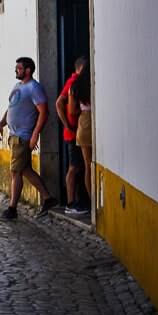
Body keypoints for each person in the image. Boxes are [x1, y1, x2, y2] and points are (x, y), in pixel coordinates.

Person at [0, 57, 58, 220]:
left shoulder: (34, 88)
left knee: (15, 171)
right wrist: (1, 124)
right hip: (14, 136)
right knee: (25, 170)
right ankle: (48, 198)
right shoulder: (17, 86)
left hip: (23, 136)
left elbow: (44, 112)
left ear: (28, 70)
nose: (16, 70)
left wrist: (35, 134)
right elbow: (11, 108)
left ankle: (12, 208)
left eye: (19, 68)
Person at [55, 57, 88, 215]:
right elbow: (59, 103)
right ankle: (70, 203)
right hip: (73, 131)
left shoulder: (74, 81)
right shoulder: (73, 81)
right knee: (74, 167)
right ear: (81, 68)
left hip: (75, 130)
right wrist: (68, 124)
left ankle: (76, 200)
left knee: (78, 167)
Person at [68, 63, 93, 205]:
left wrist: (84, 110)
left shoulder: (75, 86)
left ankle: (92, 200)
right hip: (99, 120)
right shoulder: (97, 80)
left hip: (84, 123)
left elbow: (72, 111)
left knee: (88, 166)